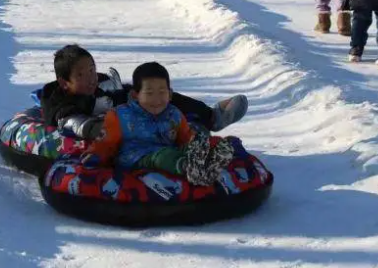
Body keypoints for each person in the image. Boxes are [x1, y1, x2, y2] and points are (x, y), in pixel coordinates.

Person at [40, 44, 248, 141]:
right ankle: (186, 134)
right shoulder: (61, 104)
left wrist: (148, 93)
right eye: (82, 75)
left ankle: (212, 117)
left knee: (156, 93)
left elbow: (124, 92)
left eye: (92, 69)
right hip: (114, 131)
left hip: (125, 111)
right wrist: (96, 130)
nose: (91, 77)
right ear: (65, 83)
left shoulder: (101, 84)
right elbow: (71, 122)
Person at [81, 62, 235, 186]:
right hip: (135, 158)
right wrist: (95, 154)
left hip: (168, 151)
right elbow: (106, 141)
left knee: (201, 143)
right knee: (164, 156)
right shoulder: (120, 116)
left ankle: (212, 159)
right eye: (149, 93)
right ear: (135, 95)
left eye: (162, 92)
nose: (156, 99)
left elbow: (185, 137)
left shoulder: (173, 114)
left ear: (170, 94)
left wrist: (199, 143)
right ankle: (192, 169)